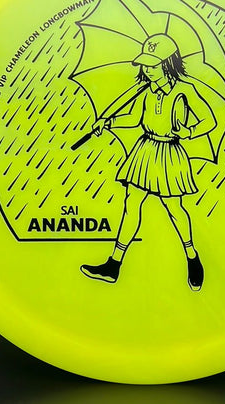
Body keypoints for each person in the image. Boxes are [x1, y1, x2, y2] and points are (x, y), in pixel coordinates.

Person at [80, 34, 217, 291]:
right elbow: (134, 118)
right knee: (131, 204)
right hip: (145, 149)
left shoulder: (185, 90)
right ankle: (114, 264)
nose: (147, 70)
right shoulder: (146, 91)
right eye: (144, 65)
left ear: (167, 64)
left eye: (152, 64)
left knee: (174, 208)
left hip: (169, 152)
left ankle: (192, 257)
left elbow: (209, 120)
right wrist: (109, 123)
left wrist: (189, 132)